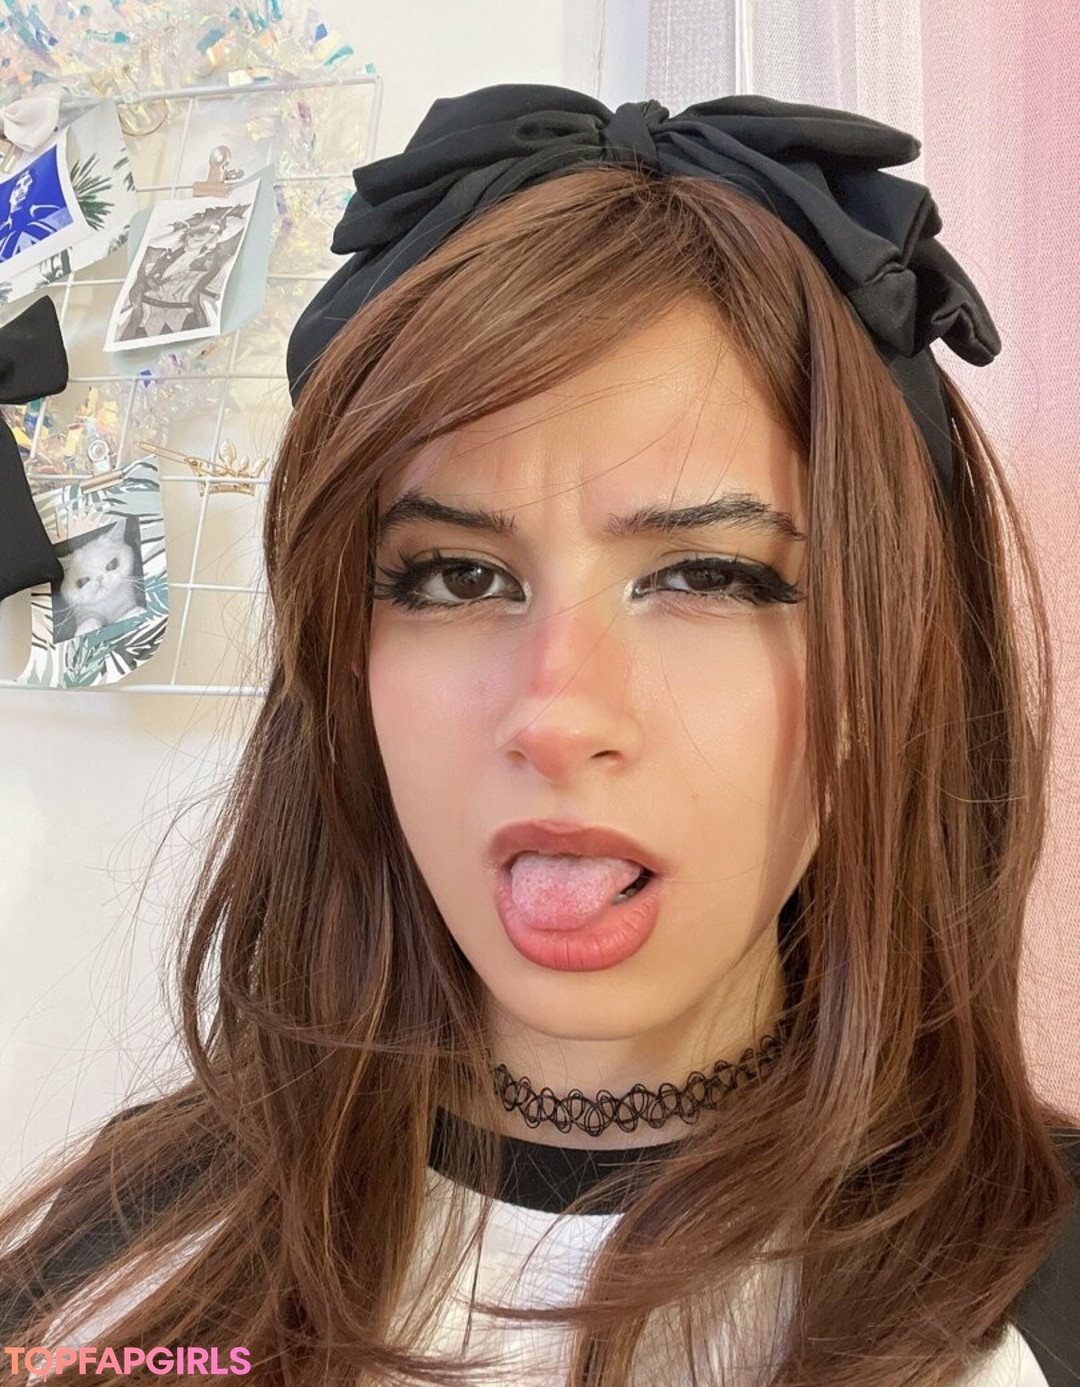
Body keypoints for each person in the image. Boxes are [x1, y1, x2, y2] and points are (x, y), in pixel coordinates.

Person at [0, 85, 1077, 1387]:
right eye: (456, 577)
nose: (558, 713)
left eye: (711, 576)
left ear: (889, 659)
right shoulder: (117, 1275)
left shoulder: (1044, 1287)